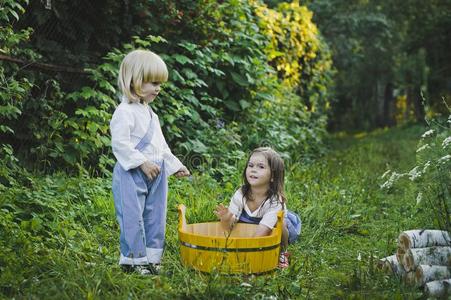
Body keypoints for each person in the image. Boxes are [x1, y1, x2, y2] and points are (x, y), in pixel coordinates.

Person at [110, 49, 190, 275]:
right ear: (135, 81)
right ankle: (133, 261)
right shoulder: (124, 112)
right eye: (153, 82)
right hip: (132, 173)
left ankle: (153, 259)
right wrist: (141, 162)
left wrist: (175, 165)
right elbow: (120, 145)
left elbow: (160, 145)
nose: (158, 88)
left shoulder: (151, 113)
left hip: (157, 173)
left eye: (160, 83)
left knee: (156, 214)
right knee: (132, 217)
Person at [214, 147, 301, 269]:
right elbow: (229, 227)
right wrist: (227, 218)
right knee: (235, 226)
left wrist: (244, 250)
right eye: (250, 165)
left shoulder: (275, 201)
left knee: (281, 225)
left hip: (272, 228)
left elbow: (263, 231)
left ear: (272, 177)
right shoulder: (241, 193)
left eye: (261, 167)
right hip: (249, 223)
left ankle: (282, 253)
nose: (253, 170)